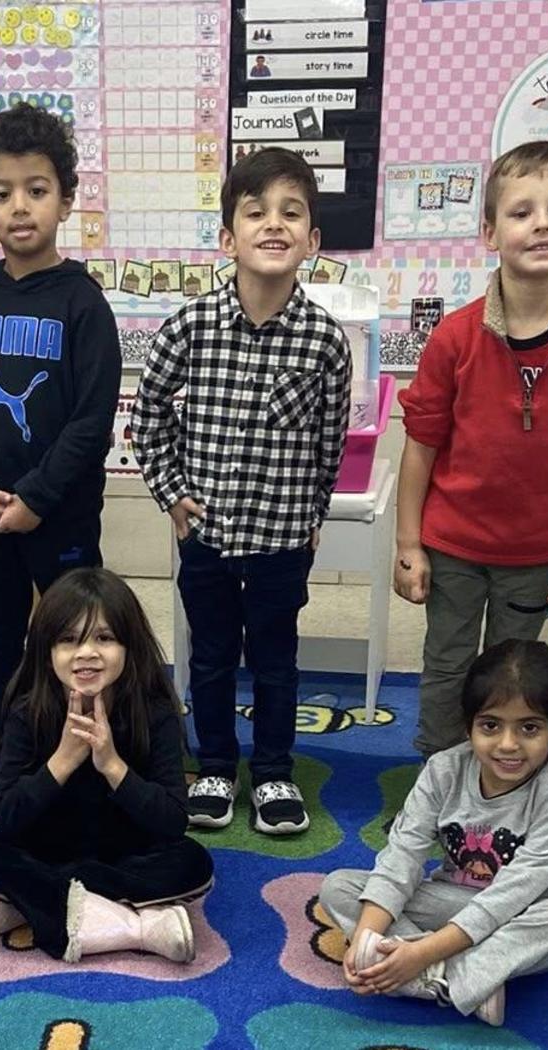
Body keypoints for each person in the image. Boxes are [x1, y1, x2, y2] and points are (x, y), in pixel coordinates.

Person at [129, 147, 352, 836]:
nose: (274, 225)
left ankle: (275, 773)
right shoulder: (190, 328)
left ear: (313, 240)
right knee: (213, 656)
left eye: (292, 213)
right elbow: (146, 416)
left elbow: (329, 439)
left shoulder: (323, 341)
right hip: (210, 536)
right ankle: (219, 767)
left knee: (278, 658)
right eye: (256, 212)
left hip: (284, 537)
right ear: (229, 237)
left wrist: (313, 514)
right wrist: (173, 497)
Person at [394, 140, 548, 757]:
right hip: (453, 546)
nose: (542, 224)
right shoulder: (455, 337)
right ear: (491, 233)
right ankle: (440, 776)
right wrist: (409, 543)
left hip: (538, 552)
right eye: (522, 212)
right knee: (447, 665)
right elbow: (421, 446)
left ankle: (507, 776)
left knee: (516, 672)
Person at [0, 102, 122, 795]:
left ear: (65, 199)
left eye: (37, 190)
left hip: (60, 513)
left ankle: (86, 730)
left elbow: (91, 418)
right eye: (2, 192)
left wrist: (39, 498)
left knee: (80, 634)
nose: (20, 208)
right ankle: (0, 734)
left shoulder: (83, 305)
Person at [318, 640, 548, 1027]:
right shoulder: (443, 770)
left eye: (529, 727)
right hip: (452, 899)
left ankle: (425, 974)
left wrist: (421, 952)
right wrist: (365, 938)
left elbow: (507, 900)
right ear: (469, 726)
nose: (508, 745)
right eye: (490, 726)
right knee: (339, 887)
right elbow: (402, 858)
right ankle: (463, 981)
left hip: (524, 913)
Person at [0, 568, 213, 962]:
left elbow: (173, 820)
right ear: (46, 651)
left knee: (194, 863)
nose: (87, 652)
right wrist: (63, 760)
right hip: (46, 848)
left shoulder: (153, 711)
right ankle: (137, 928)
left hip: (126, 853)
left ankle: (29, 904)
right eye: (69, 640)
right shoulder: (28, 710)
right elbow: (6, 816)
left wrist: (111, 765)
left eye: (104, 638)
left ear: (129, 646)